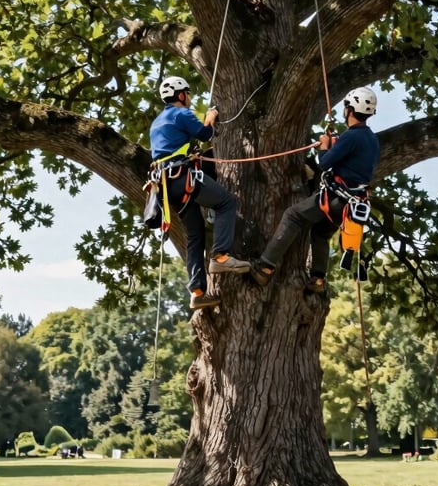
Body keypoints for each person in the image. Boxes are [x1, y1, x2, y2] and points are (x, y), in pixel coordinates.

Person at [252, 86, 380, 293]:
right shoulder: (372, 139)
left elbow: (324, 163)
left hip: (335, 197)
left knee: (293, 215)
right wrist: (335, 144)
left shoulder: (351, 137)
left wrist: (323, 144)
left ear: (349, 109)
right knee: (320, 233)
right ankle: (318, 279)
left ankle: (265, 266)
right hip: (351, 204)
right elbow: (352, 160)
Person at [150, 75, 250, 310]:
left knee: (195, 235)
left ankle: (197, 292)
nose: (190, 98)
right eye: (188, 94)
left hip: (166, 186)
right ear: (181, 95)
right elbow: (205, 134)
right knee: (226, 202)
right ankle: (221, 256)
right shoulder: (181, 113)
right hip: (181, 177)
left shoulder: (157, 122)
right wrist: (211, 117)